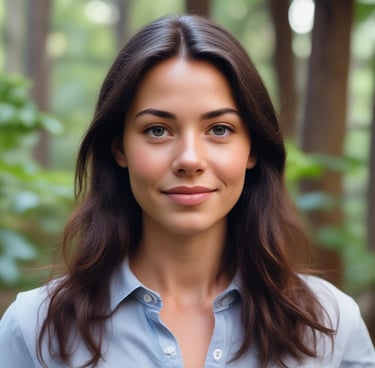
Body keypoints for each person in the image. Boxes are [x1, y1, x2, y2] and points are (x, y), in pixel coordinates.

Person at [0, 14, 374, 368]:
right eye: (158, 130)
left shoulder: (329, 323)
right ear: (119, 147)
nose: (190, 160)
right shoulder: (35, 330)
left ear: (253, 149)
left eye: (220, 129)